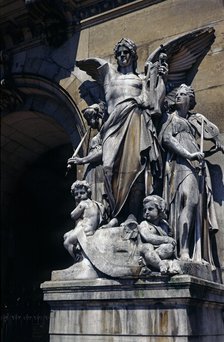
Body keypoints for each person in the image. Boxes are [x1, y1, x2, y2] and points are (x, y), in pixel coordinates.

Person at [78, 38, 168, 221]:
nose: (121, 56)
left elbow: (153, 103)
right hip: (112, 125)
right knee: (108, 167)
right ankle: (114, 213)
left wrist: (161, 78)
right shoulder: (110, 75)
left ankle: (132, 215)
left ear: (133, 55)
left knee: (136, 169)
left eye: (125, 52)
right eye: (118, 53)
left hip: (134, 120)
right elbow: (92, 65)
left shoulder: (141, 79)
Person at [160, 84, 224, 262]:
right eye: (177, 94)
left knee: (194, 205)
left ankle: (192, 250)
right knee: (188, 200)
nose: (178, 97)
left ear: (190, 99)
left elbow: (209, 135)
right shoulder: (170, 118)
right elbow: (167, 139)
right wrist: (190, 154)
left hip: (195, 165)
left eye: (183, 94)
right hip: (180, 163)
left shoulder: (193, 121)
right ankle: (183, 251)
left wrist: (214, 143)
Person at [67, 103, 105, 204]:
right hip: (92, 172)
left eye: (89, 120)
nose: (88, 124)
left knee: (99, 196)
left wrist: (83, 160)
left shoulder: (106, 132)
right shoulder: (98, 135)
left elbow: (104, 151)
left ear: (96, 117)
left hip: (99, 170)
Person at [63, 180, 105, 260]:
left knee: (67, 243)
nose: (79, 196)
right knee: (66, 235)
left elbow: (73, 215)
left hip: (85, 229)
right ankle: (78, 252)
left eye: (82, 193)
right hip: (90, 228)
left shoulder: (83, 203)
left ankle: (78, 260)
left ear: (88, 193)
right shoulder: (97, 204)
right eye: (76, 194)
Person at [138, 195, 180, 274]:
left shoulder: (164, 225)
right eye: (145, 210)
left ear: (159, 210)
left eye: (150, 209)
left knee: (169, 247)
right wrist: (166, 239)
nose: (146, 212)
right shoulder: (144, 223)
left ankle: (147, 261)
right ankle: (160, 264)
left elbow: (170, 237)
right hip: (146, 249)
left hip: (157, 250)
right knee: (147, 247)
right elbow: (148, 237)